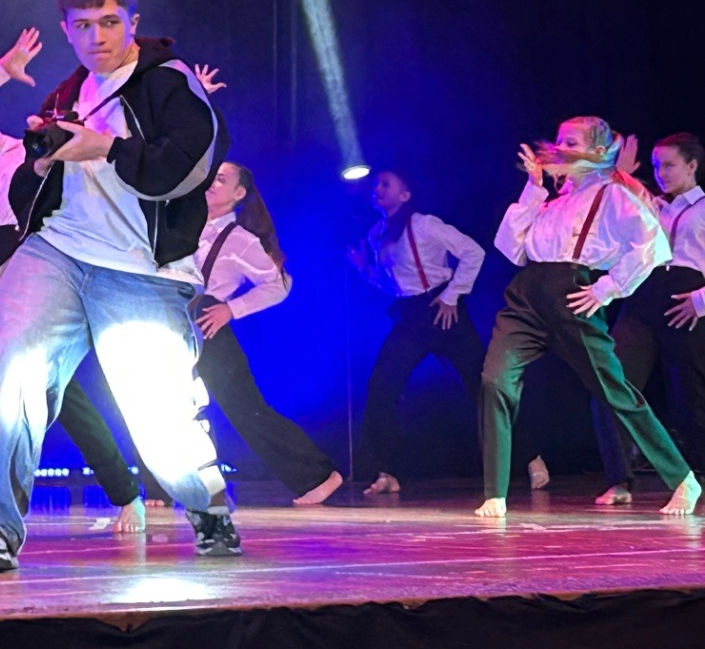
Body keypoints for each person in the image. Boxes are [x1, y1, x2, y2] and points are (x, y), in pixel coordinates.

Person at [0, 0, 234, 573]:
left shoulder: (168, 82)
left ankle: (207, 506)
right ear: (67, 30)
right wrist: (39, 165)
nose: (97, 37)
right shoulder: (65, 96)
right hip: (57, 252)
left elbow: (188, 169)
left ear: (133, 23)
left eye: (109, 22)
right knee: (16, 371)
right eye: (83, 25)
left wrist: (105, 147)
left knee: (156, 409)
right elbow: (32, 195)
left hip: (142, 269)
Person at [0, 29, 152, 541]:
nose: (44, 121)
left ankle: (124, 492)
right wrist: (1, 71)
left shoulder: (79, 172)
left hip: (20, 271)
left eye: (61, 117)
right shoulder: (4, 150)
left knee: (55, 395)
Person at [475, 117, 700, 519]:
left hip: (572, 296)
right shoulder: (554, 200)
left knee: (614, 391)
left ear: (596, 152)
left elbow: (652, 244)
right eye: (559, 140)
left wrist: (606, 288)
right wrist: (534, 187)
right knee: (495, 379)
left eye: (571, 142)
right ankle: (495, 493)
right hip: (527, 296)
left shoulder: (612, 195)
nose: (559, 148)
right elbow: (512, 248)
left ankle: (682, 478)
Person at [192, 162, 343, 506]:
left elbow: (279, 284)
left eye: (221, 179)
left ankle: (317, 475)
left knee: (245, 408)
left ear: (239, 193)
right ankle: (159, 487)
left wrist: (232, 309)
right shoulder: (186, 223)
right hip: (170, 315)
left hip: (207, 321)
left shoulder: (240, 240)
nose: (212, 183)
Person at [345, 170, 488, 496]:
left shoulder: (424, 224)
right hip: (410, 314)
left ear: (405, 195)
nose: (377, 189)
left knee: (483, 383)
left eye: (386, 184)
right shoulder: (376, 233)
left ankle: (527, 457)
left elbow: (473, 252)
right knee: (382, 385)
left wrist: (452, 295)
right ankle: (387, 471)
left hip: (441, 307)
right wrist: (363, 269)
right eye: (376, 185)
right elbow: (391, 285)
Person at [610, 133, 705, 485]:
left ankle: (696, 469)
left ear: (692, 165)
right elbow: (618, 210)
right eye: (655, 166)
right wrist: (619, 174)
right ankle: (619, 474)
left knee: (688, 390)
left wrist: (700, 301)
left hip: (685, 298)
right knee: (616, 376)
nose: (660, 173)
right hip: (645, 293)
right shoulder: (652, 204)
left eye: (669, 165)